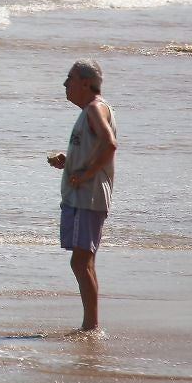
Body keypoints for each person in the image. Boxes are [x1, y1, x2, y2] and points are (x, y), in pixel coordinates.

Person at [47, 59, 117, 332]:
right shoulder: (92, 110)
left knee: (80, 261)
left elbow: (109, 144)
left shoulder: (95, 109)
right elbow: (97, 146)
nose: (66, 84)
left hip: (87, 198)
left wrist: (85, 174)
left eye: (71, 79)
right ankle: (91, 324)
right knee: (84, 261)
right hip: (86, 197)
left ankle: (91, 326)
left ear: (86, 84)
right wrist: (71, 159)